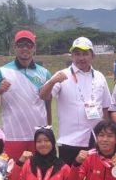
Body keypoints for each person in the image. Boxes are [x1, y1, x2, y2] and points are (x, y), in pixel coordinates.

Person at [39, 36, 111, 164]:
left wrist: (107, 135)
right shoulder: (62, 75)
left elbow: (106, 108)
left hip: (95, 140)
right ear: (72, 56)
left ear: (92, 56)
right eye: (77, 54)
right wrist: (52, 82)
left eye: (85, 54)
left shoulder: (100, 77)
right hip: (69, 141)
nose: (81, 58)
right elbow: (44, 96)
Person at [0, 30, 52, 160]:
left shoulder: (44, 73)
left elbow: (47, 103)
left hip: (38, 136)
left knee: (37, 175)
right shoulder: (2, 71)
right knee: (13, 176)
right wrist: (0, 90)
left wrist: (48, 129)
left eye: (29, 45)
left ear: (34, 48)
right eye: (21, 45)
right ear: (15, 48)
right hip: (13, 135)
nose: (25, 48)